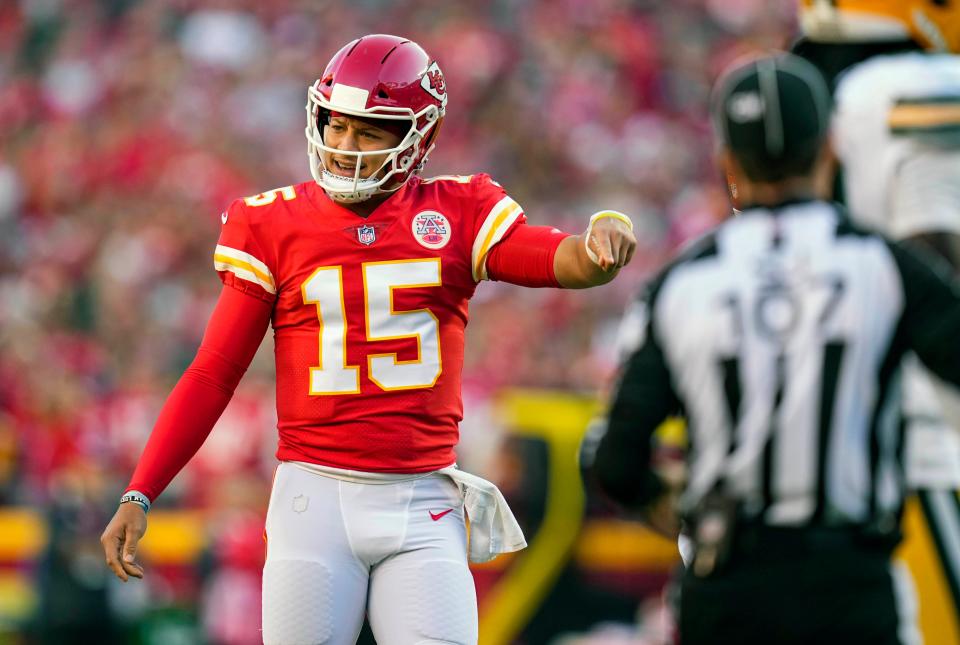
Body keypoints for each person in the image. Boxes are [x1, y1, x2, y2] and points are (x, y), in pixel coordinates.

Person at [99, 34, 637, 645]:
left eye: (370, 131)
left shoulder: (457, 212)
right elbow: (212, 373)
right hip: (314, 501)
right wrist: (142, 491)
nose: (344, 147)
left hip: (424, 500)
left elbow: (559, 258)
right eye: (336, 126)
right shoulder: (274, 223)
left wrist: (601, 238)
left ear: (420, 136)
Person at [592, 52, 960, 644]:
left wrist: (680, 509)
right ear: (830, 147)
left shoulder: (682, 283)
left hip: (728, 584)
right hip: (850, 582)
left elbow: (615, 462)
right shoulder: (886, 267)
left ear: (727, 161)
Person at [793, 0, 960, 617]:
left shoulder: (805, 79)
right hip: (925, 441)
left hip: (831, 451)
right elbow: (940, 269)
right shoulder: (909, 84)